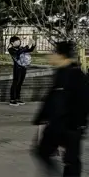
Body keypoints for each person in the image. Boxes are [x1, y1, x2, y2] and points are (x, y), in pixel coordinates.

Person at [32, 41, 89, 177]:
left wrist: (79, 125)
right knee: (42, 152)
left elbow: (84, 101)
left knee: (71, 161)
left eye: (53, 53)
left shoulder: (77, 75)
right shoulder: (60, 73)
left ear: (61, 55)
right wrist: (41, 118)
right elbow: (51, 98)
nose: (50, 56)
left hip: (71, 126)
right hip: (56, 125)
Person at [8, 36, 36, 106]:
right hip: (17, 68)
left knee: (20, 83)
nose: (19, 42)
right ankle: (12, 99)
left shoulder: (21, 48)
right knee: (15, 83)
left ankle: (17, 98)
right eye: (17, 41)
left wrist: (33, 45)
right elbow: (18, 53)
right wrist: (28, 45)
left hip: (23, 67)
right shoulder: (11, 49)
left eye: (19, 41)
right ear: (12, 42)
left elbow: (29, 50)